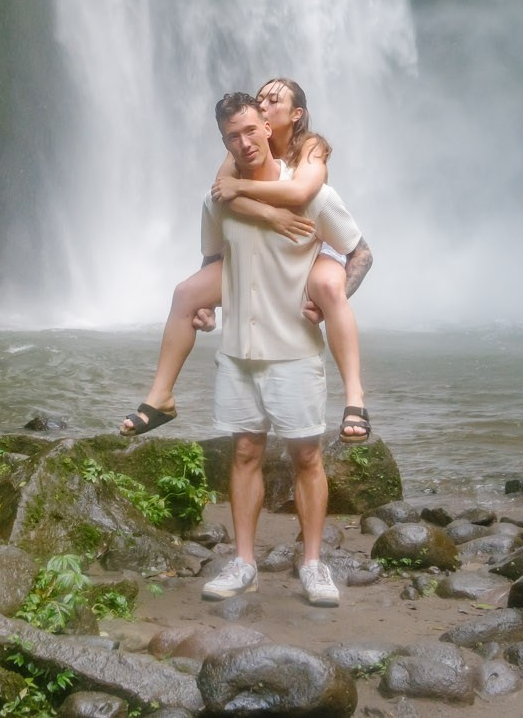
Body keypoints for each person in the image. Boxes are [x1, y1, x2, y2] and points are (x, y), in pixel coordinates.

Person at [118, 78, 373, 443]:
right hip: (257, 243)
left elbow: (301, 192)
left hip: (312, 240)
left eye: (273, 101)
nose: (264, 104)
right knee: (186, 293)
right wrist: (267, 216)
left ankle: (355, 399)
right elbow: (221, 196)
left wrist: (246, 192)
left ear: (292, 116)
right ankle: (161, 397)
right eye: (261, 98)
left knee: (329, 287)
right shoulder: (241, 144)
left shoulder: (310, 146)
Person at [195, 91, 372, 607]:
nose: (245, 141)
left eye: (252, 130)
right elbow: (211, 262)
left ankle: (313, 563)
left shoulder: (313, 197)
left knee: (306, 454)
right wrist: (203, 307)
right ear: (224, 141)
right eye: (233, 136)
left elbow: (359, 249)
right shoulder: (217, 201)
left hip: (293, 349)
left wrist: (332, 294)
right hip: (238, 349)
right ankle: (244, 561)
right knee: (245, 451)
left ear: (268, 128)